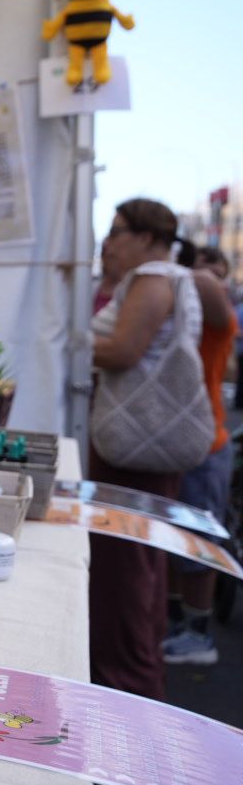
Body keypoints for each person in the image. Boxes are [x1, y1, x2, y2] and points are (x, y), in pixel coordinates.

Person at [88, 198, 206, 698]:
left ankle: (125, 681)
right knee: (143, 562)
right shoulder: (179, 278)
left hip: (135, 446)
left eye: (117, 231)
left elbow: (122, 350)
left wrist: (64, 340)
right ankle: (135, 671)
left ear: (147, 235)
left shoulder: (153, 279)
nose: (109, 243)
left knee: (126, 568)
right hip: (147, 442)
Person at [164, 244, 237, 666]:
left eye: (221, 274)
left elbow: (206, 286)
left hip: (206, 444)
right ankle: (179, 625)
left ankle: (199, 635)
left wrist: (188, 273)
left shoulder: (211, 310)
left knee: (199, 544)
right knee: (177, 543)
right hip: (185, 444)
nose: (216, 282)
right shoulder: (187, 318)